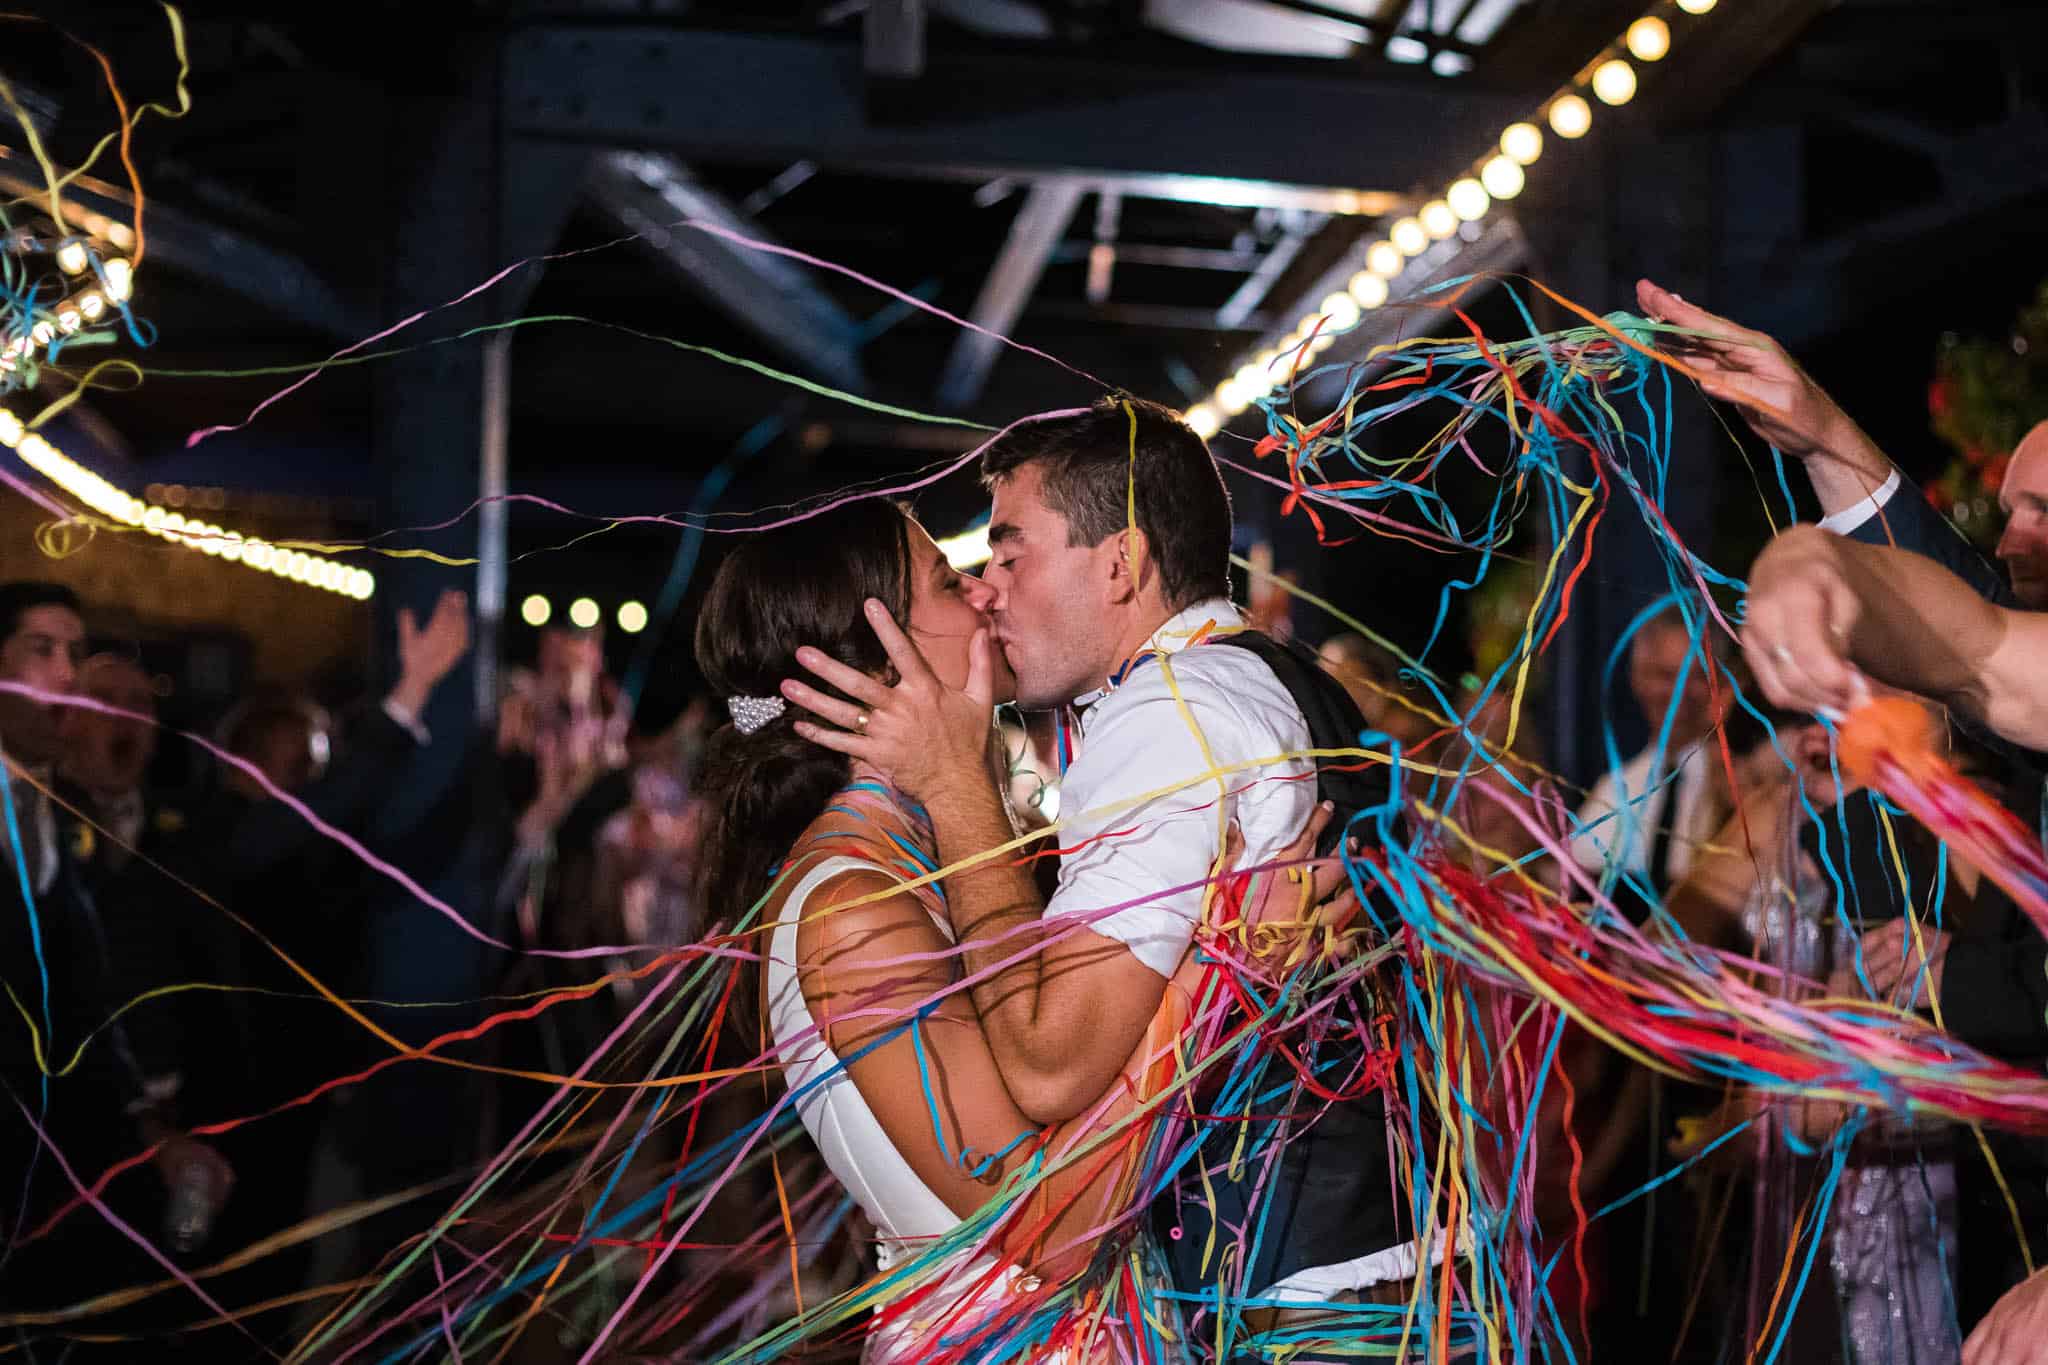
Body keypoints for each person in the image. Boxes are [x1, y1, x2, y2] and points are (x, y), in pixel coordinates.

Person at [780, 399, 1434, 1341]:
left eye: (1010, 554)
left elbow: (1047, 1064)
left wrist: (961, 788)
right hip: (1375, 1267)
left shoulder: (1169, 709)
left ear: (1120, 563)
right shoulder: (1284, 677)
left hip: (1298, 1301)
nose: (987, 589)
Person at [694, 497, 1338, 1361]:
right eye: (946, 579)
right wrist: (1226, 968)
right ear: (886, 657)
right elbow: (1053, 1228)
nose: (984, 592)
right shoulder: (851, 910)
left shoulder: (912, 870)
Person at [0, 582, 227, 1326]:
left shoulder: (49, 818)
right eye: (42, 650)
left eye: (74, 652)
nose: (67, 674)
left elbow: (83, 997)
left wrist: (152, 1132)